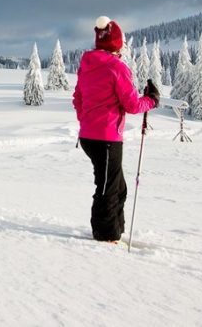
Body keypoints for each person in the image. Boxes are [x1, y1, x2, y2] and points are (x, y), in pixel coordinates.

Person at [73, 16, 160, 242]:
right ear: (116, 43)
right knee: (107, 188)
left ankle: (115, 229)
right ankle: (105, 235)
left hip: (89, 137)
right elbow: (131, 105)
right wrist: (151, 100)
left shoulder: (87, 65)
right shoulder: (116, 67)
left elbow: (78, 98)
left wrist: (86, 120)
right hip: (107, 139)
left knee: (117, 187)